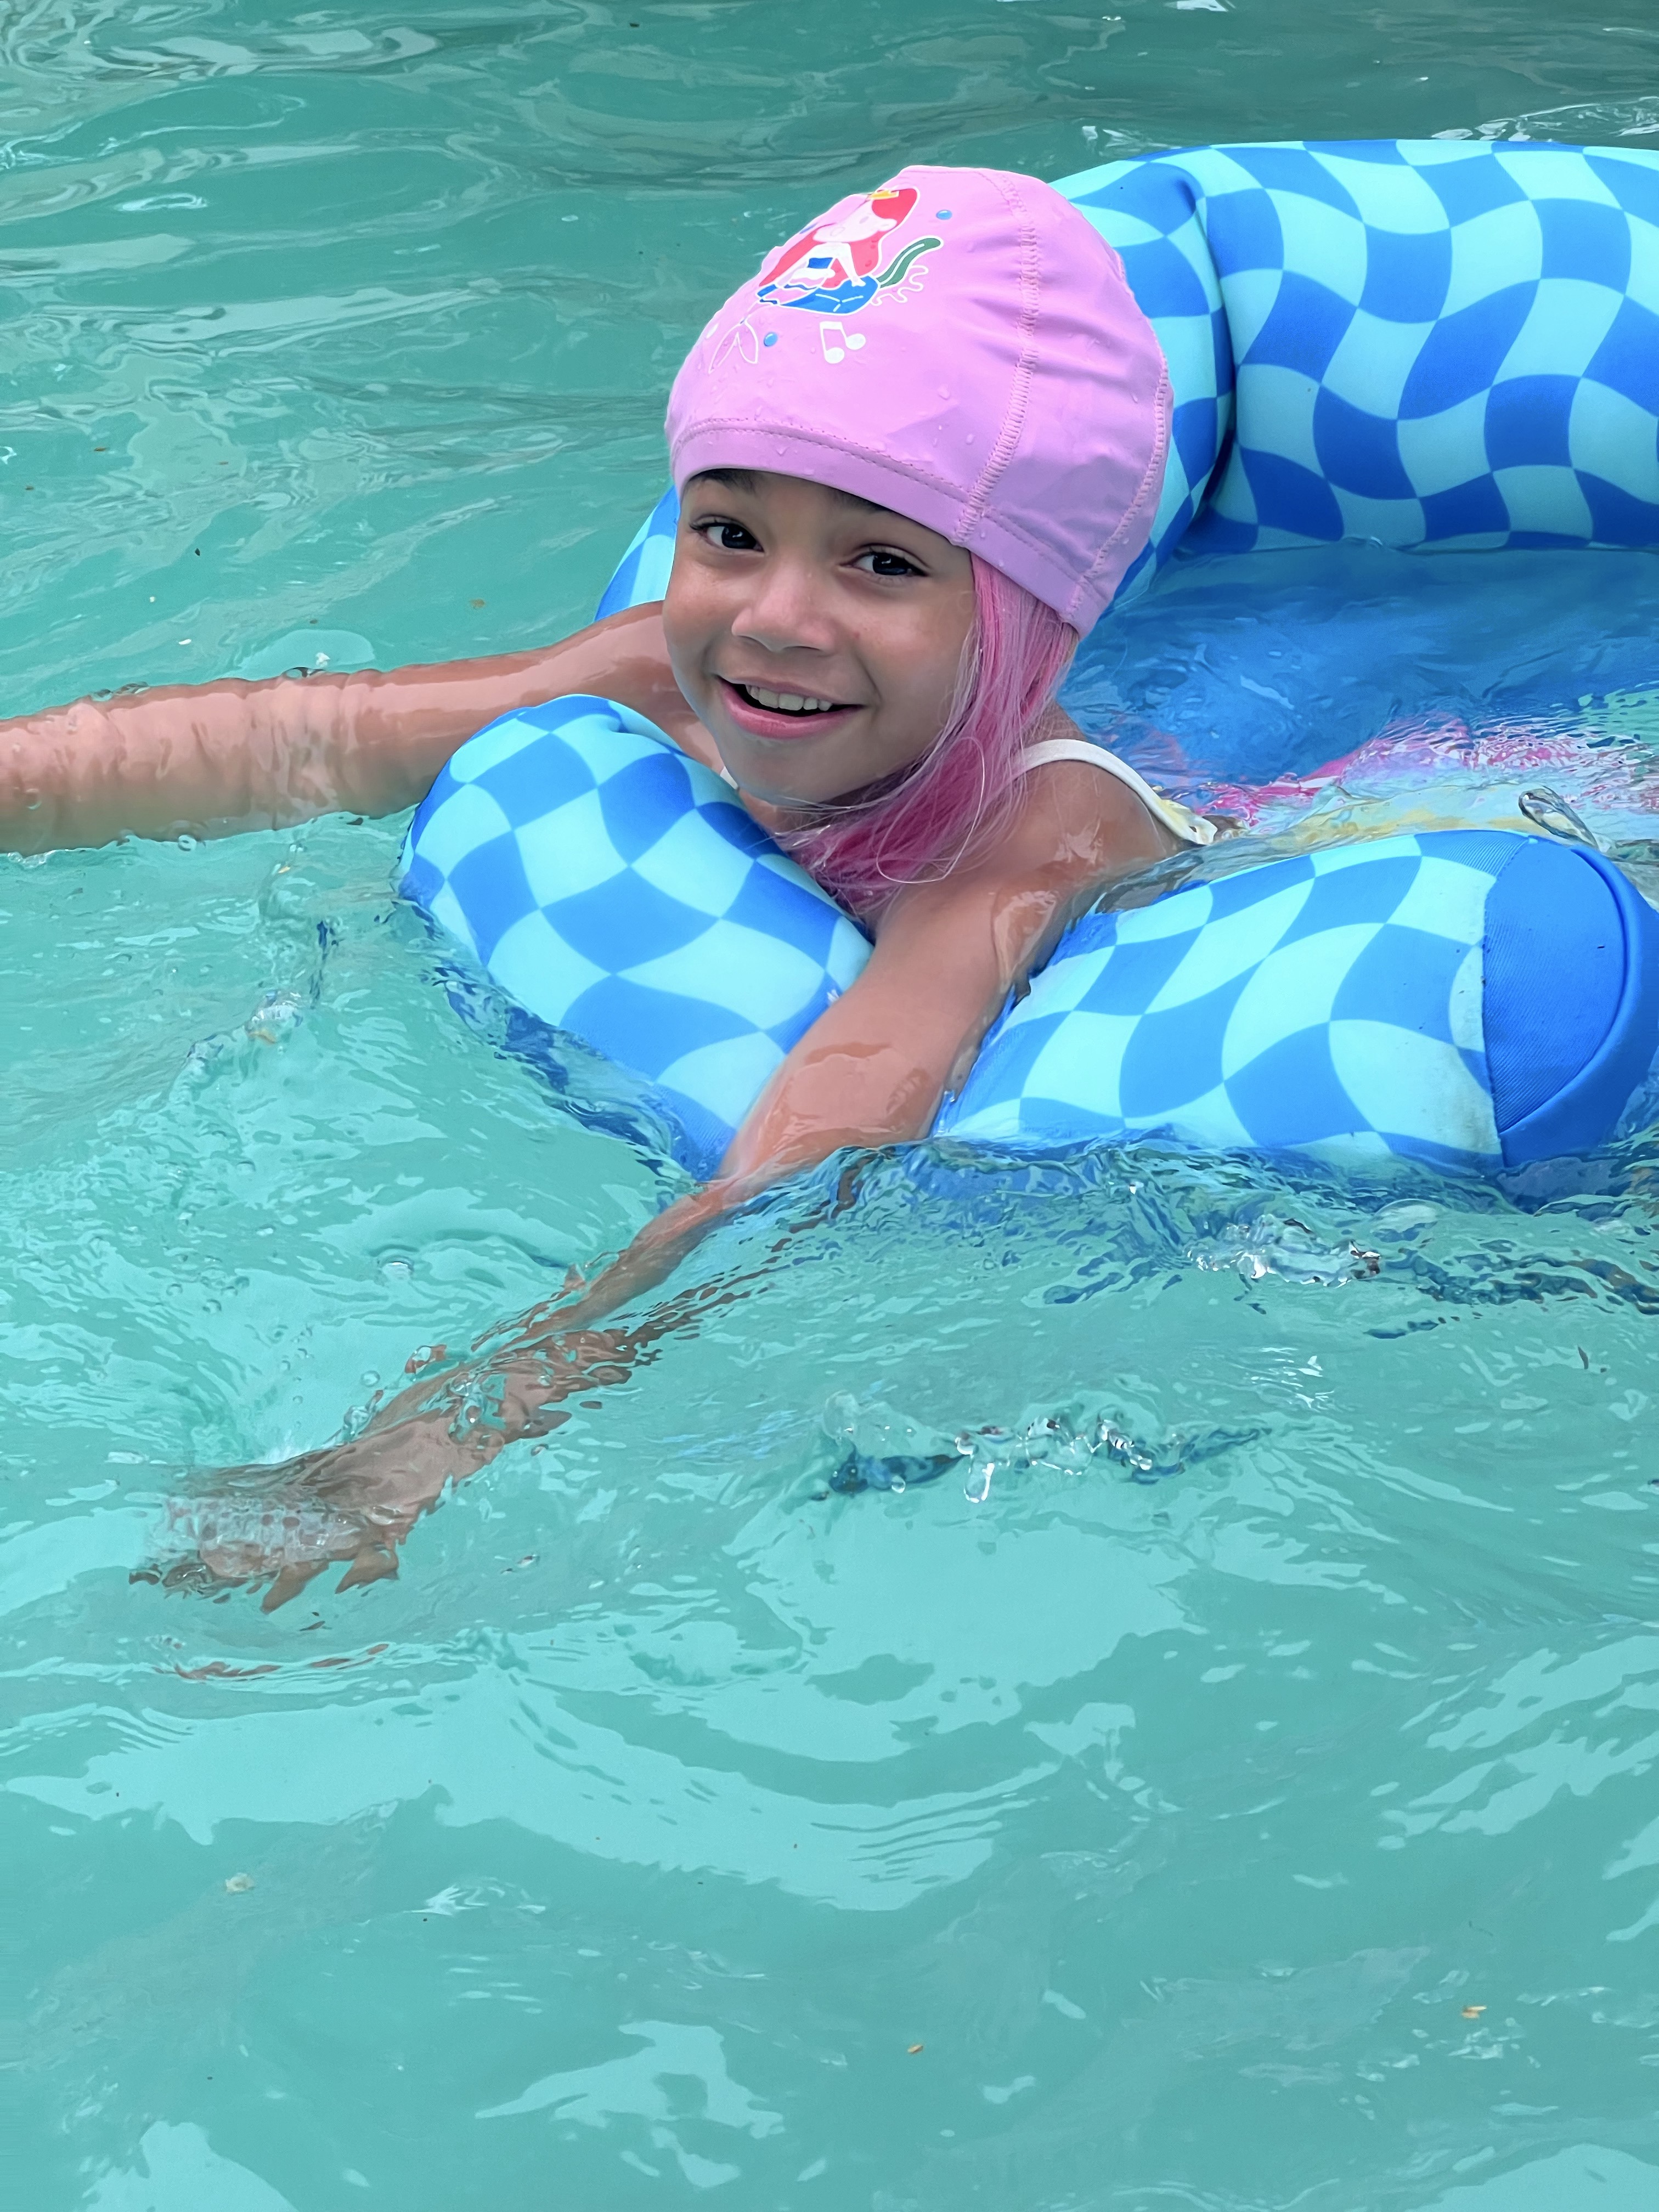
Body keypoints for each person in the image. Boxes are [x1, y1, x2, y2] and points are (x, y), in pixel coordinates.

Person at [4, 166, 1216, 1604]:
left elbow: (818, 1148)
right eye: (731, 532)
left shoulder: (1036, 834)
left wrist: (415, 1451)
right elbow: (304, 740)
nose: (777, 616)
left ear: (1028, 623)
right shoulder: (671, 676)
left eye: (881, 562)